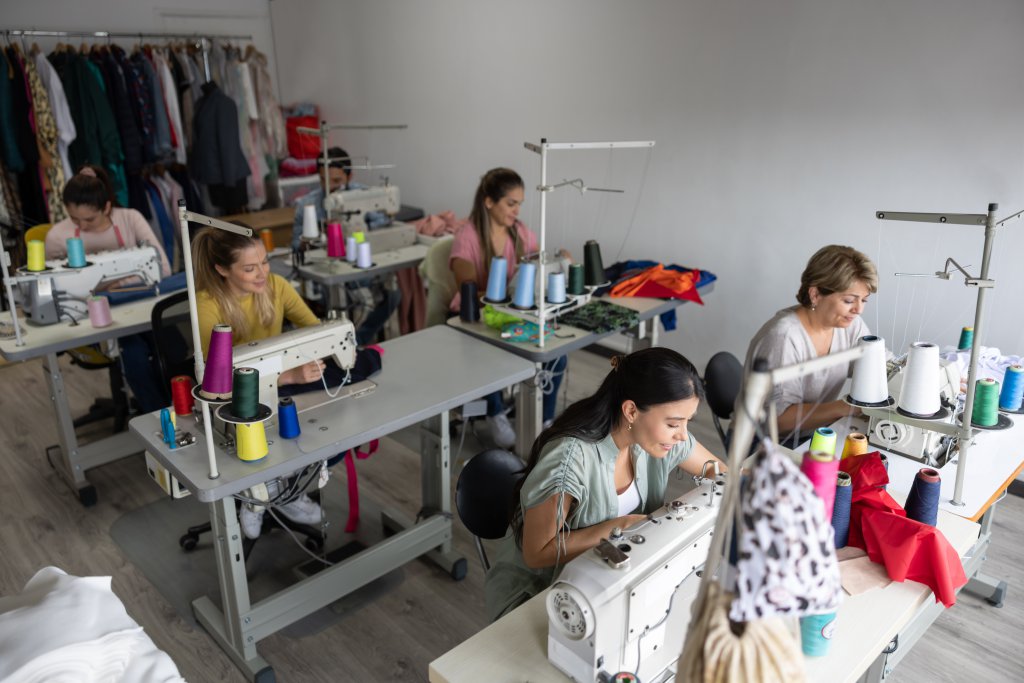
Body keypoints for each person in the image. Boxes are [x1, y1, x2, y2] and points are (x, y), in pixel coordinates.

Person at [484, 347, 726, 620]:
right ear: (631, 411)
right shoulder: (569, 460)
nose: (682, 436)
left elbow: (720, 475)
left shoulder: (655, 438)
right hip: (539, 595)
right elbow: (537, 553)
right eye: (673, 424)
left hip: (604, 580)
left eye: (686, 423)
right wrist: (618, 527)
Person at [193, 226, 331, 538]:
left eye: (265, 262)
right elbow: (218, 382)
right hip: (231, 401)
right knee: (276, 433)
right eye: (250, 268)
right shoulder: (207, 306)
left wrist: (319, 352)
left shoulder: (277, 286)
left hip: (280, 387)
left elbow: (316, 330)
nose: (262, 274)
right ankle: (259, 497)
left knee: (334, 424)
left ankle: (285, 490)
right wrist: (288, 375)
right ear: (222, 270)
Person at [449, 167, 568, 448]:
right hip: (473, 316)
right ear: (489, 201)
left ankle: (545, 422)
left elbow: (536, 273)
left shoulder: (522, 233)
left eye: (520, 204)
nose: (516, 211)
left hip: (513, 313)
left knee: (556, 356)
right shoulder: (467, 236)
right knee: (487, 354)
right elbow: (467, 287)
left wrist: (559, 263)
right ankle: (496, 413)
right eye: (510, 203)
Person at [45, 166, 172, 414]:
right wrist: (117, 284)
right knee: (135, 355)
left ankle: (180, 412)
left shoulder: (130, 219)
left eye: (89, 219)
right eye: (74, 219)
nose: (82, 226)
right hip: (93, 320)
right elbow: (55, 288)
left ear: (106, 207)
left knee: (172, 349)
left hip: (143, 307)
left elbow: (163, 268)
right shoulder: (58, 237)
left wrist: (113, 286)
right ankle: (159, 420)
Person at [744, 244, 879, 447]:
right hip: (768, 442)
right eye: (849, 300)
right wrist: (845, 407)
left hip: (813, 432)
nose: (858, 309)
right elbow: (778, 420)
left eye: (864, 300)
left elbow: (877, 365)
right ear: (815, 294)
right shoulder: (784, 337)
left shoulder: (849, 324)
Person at [290, 146, 398, 345]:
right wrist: (315, 236)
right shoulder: (308, 205)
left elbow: (382, 222)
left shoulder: (363, 195)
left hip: (361, 268)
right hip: (327, 275)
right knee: (341, 300)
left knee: (394, 295)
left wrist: (354, 227)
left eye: (337, 181)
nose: (330, 187)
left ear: (350, 176)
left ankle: (356, 341)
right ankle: (345, 343)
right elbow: (296, 245)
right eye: (323, 180)